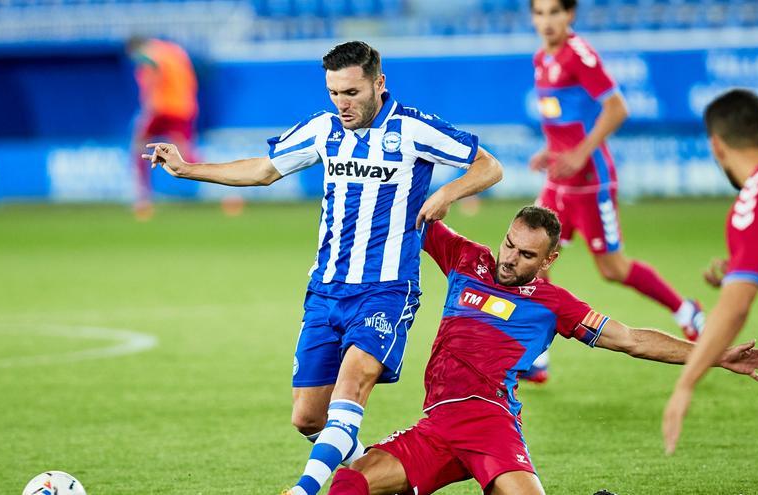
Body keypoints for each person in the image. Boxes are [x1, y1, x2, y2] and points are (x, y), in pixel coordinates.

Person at [143, 41, 503, 495]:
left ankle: (303, 490)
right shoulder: (324, 129)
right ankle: (382, 479)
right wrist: (186, 169)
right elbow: (263, 170)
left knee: (349, 390)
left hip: (386, 289)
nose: (342, 103)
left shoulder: (412, 128)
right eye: (334, 93)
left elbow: (489, 167)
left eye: (352, 92)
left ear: (379, 83)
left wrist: (446, 193)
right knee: (308, 418)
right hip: (326, 290)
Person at [324, 206, 758, 495]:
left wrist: (715, 354)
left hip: (490, 423)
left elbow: (630, 339)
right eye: (509, 244)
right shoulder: (467, 259)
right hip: (438, 424)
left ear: (548, 260)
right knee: (349, 481)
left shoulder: (554, 304)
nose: (509, 258)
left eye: (526, 255)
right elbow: (413, 213)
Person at [524, 0, 705, 382]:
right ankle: (537, 355)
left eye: (554, 12)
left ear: (570, 14)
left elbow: (617, 108)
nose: (547, 20)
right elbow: (565, 118)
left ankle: (686, 310)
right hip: (558, 181)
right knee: (534, 260)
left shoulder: (578, 55)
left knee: (613, 269)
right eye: (539, 12)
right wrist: (552, 150)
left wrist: (580, 152)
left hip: (591, 181)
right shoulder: (542, 58)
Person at [662, 89, 758, 454]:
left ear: (716, 146)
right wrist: (742, 268)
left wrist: (685, 384)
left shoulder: (753, 200)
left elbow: (735, 308)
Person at [127, 36, 199, 220]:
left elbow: (151, 63)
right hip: (183, 107)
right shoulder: (174, 50)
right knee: (186, 152)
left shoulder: (151, 52)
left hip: (162, 108)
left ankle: (142, 196)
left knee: (139, 146)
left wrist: (148, 105)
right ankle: (225, 187)